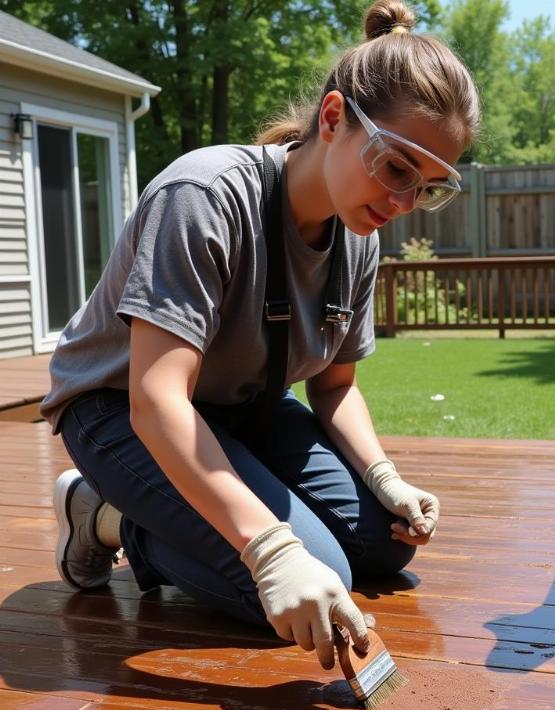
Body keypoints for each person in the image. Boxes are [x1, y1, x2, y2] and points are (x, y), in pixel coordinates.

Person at [40, 0, 480, 671]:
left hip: (242, 411)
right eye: (396, 168)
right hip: (120, 413)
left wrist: (384, 476)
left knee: (384, 547)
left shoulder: (358, 239)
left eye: (427, 188)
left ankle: (170, 515)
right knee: (302, 573)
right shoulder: (204, 196)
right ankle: (107, 516)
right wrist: (270, 550)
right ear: (333, 118)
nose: (401, 203)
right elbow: (157, 401)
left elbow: (334, 388)